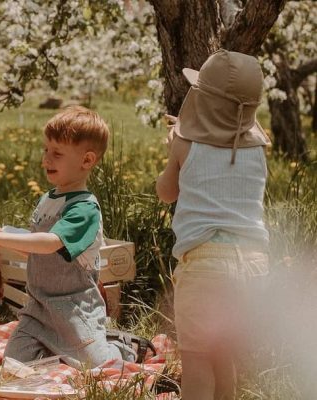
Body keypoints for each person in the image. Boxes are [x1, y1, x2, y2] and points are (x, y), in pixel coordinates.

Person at [0, 106, 144, 369]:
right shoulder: (48, 199)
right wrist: (3, 235)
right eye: (46, 150)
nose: (46, 159)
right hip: (37, 308)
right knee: (14, 365)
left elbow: (50, 244)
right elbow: (37, 248)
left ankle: (122, 347)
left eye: (57, 153)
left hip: (74, 309)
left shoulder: (85, 209)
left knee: (98, 367)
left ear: (87, 161)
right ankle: (53, 351)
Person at [155, 49, 271, 399]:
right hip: (253, 268)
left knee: (197, 365)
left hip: (206, 268)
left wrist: (173, 151)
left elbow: (166, 193)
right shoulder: (258, 148)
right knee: (224, 358)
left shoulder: (183, 142)